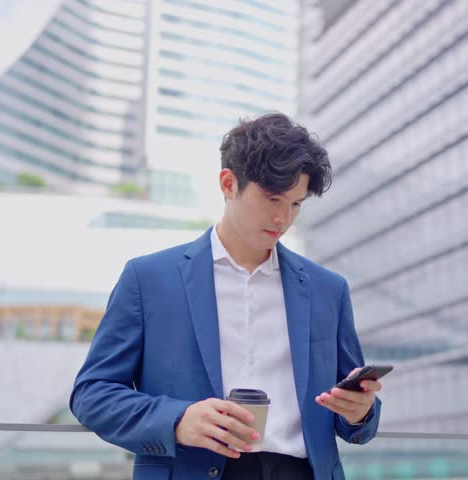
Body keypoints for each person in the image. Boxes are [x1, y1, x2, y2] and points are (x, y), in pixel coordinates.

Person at [70, 113, 383, 480]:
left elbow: (357, 421)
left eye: (296, 204)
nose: (283, 218)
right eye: (272, 199)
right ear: (228, 183)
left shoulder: (328, 289)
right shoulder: (148, 279)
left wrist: (360, 411)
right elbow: (92, 393)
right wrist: (176, 420)